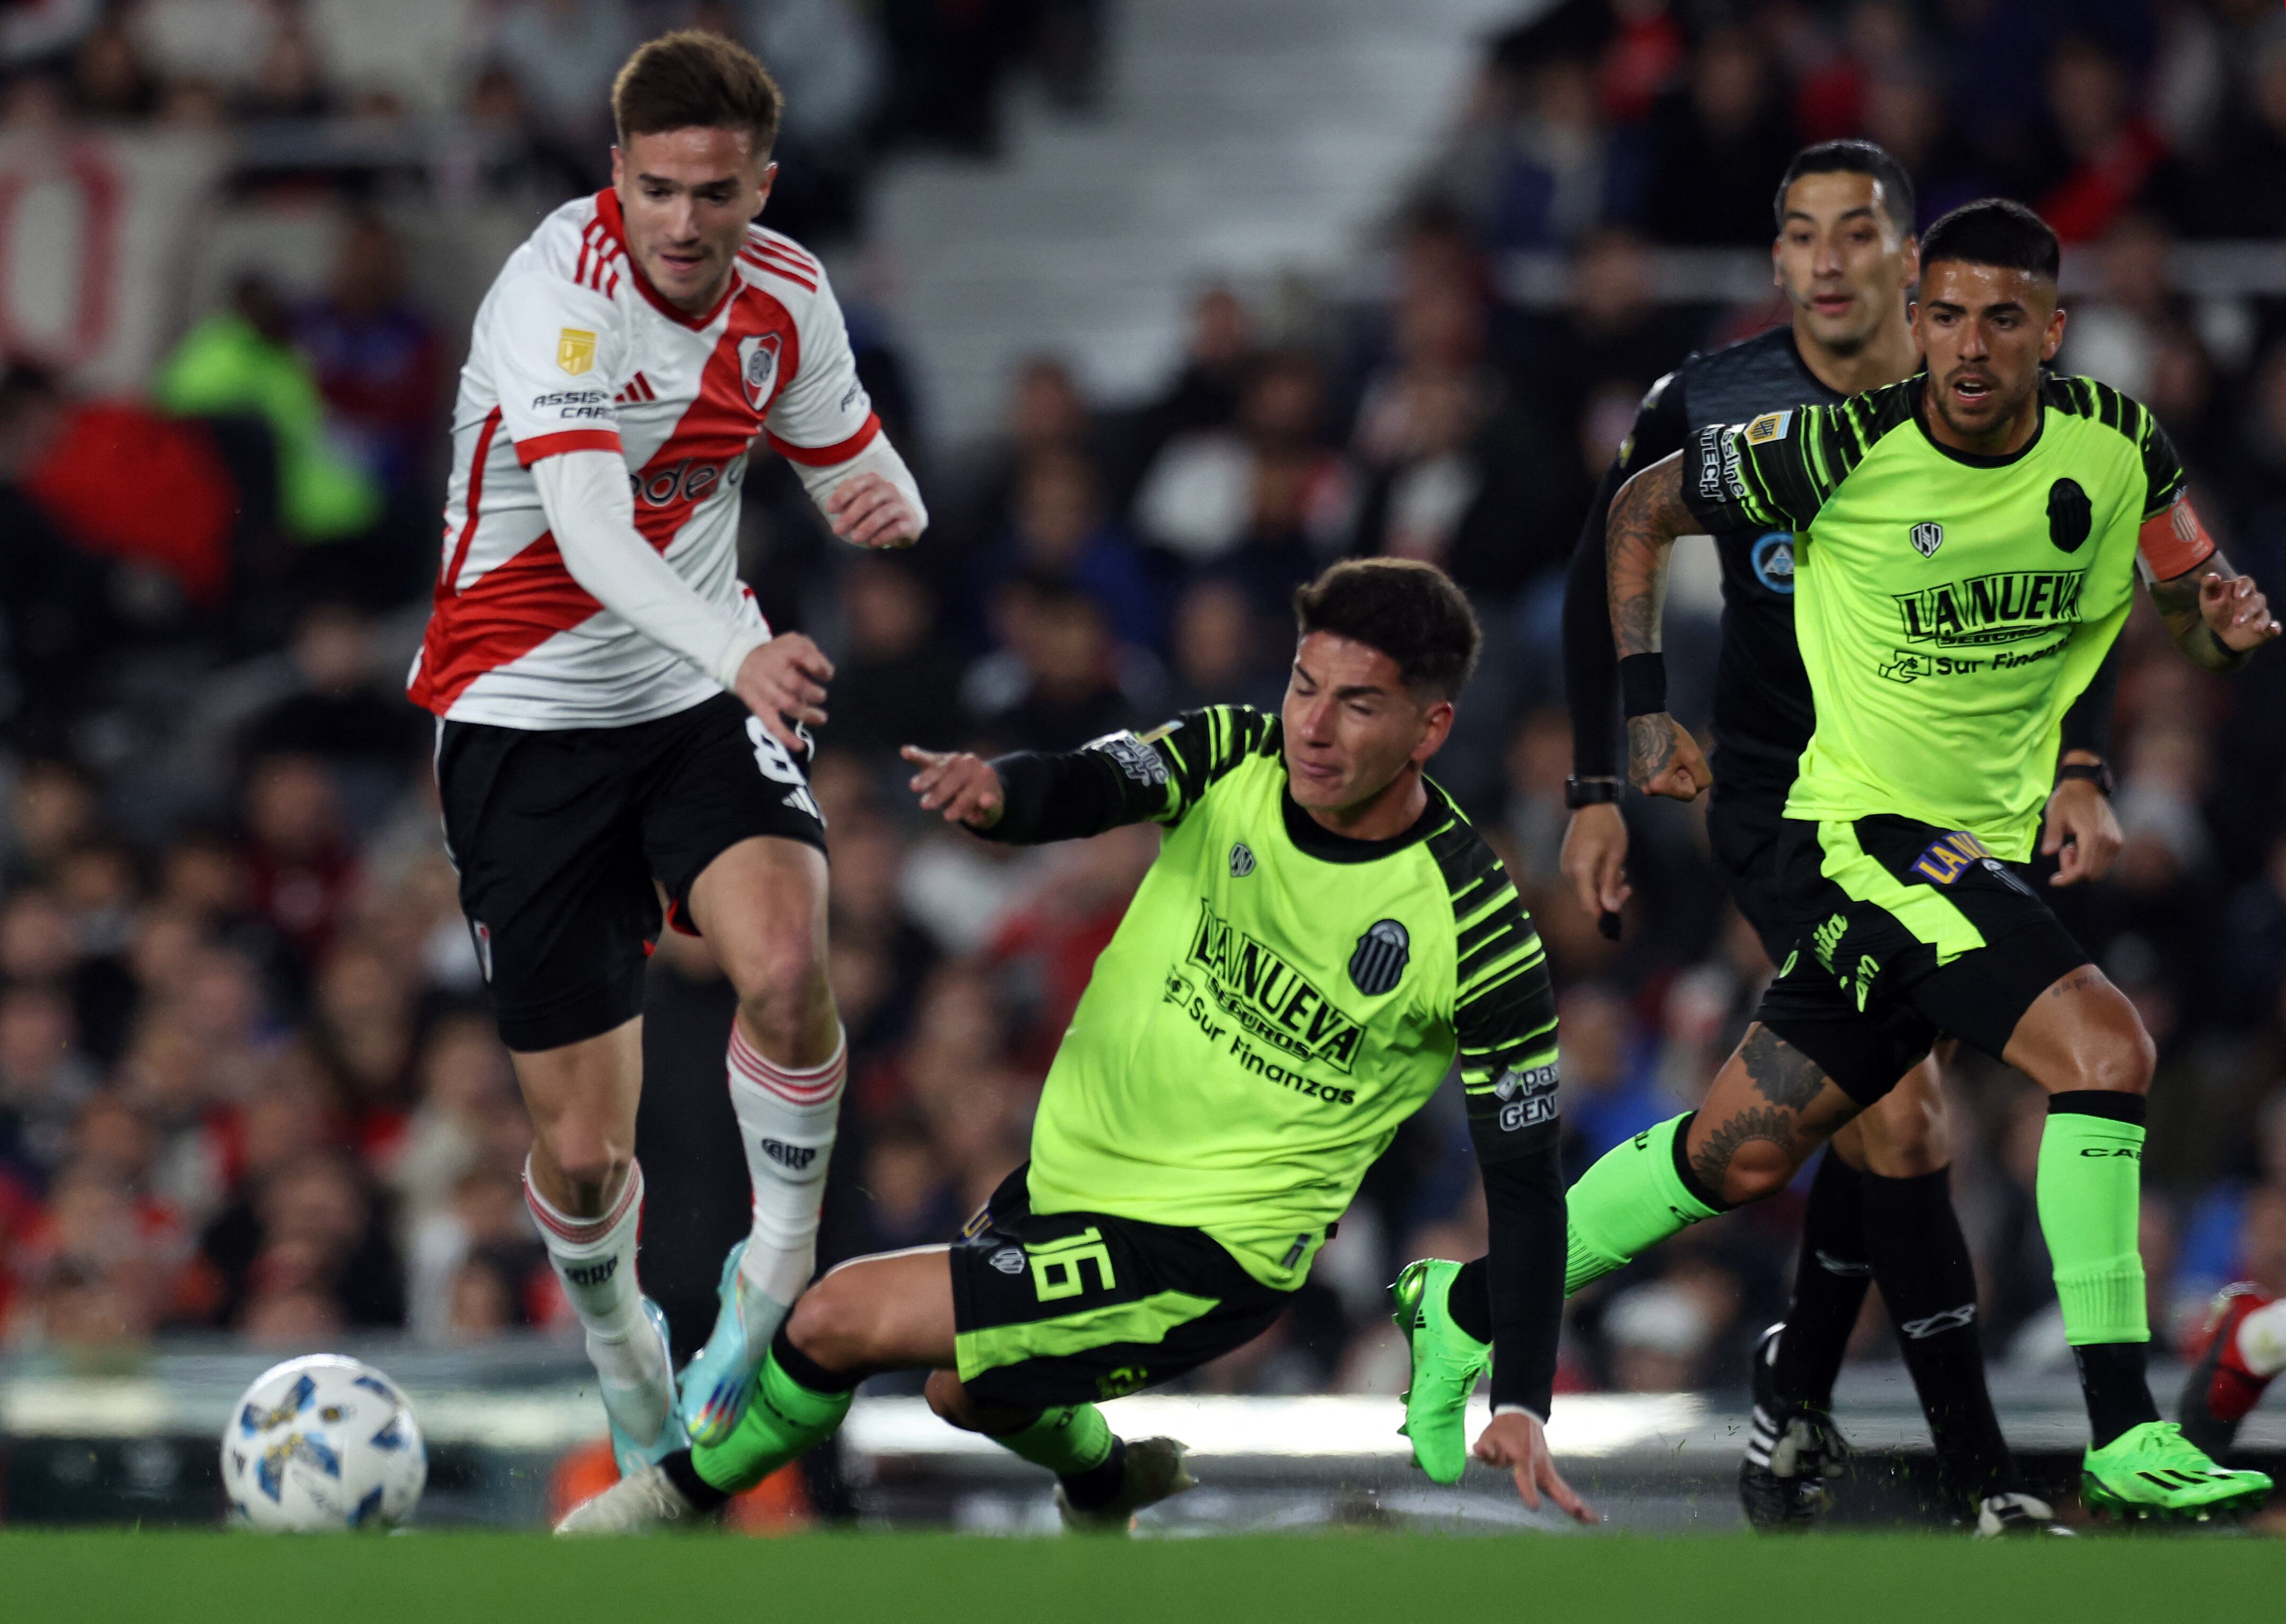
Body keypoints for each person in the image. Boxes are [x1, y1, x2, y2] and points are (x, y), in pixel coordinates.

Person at [553, 559, 1587, 1533]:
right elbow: (1100, 780)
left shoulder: (1476, 928)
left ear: (1430, 726)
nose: (1310, 728)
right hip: (1065, 1181)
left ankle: (662, 1509)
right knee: (964, 1390)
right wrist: (1002, 795)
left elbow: (1529, 1189)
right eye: (1302, 685)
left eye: (1356, 705)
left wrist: (1526, 1396)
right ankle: (1106, 1478)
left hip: (1200, 1251)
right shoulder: (1238, 750)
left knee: (836, 1316)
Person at [1401, 142, 2118, 1534]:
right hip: (1783, 808)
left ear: (1906, 262)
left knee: (1788, 1128)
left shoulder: (1977, 404)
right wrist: (1599, 781)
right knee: (1901, 1108)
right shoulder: (1714, 399)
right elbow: (1595, 558)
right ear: (1776, 262)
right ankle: (1973, 1477)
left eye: (1857, 233)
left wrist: (2074, 763)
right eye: (1801, 236)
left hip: (1940, 808)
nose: (1829, 260)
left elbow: (2070, 580)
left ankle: (1731, 1367)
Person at [1559, 197, 2276, 1523]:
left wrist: (2217, 629)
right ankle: (2096, 1436)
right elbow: (1636, 510)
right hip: (1854, 836)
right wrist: (1639, 713)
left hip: (1978, 846)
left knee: (1747, 1149)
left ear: (2050, 333)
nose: (1966, 343)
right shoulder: (1831, 443)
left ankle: (1486, 1294)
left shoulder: (2115, 445)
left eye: (2001, 318)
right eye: (1945, 315)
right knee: (2098, 1051)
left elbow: (2188, 609)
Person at [405, 31, 927, 1479]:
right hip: (520, 720)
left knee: (781, 960)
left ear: (762, 180)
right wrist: (739, 650)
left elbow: (850, 458)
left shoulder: (790, 295)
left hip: (694, 700)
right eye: (659, 189)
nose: (687, 222)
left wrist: (888, 503)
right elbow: (585, 531)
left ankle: (772, 1270)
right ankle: (623, 1343)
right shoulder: (552, 297)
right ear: (615, 178)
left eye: (717, 191)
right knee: (584, 1155)